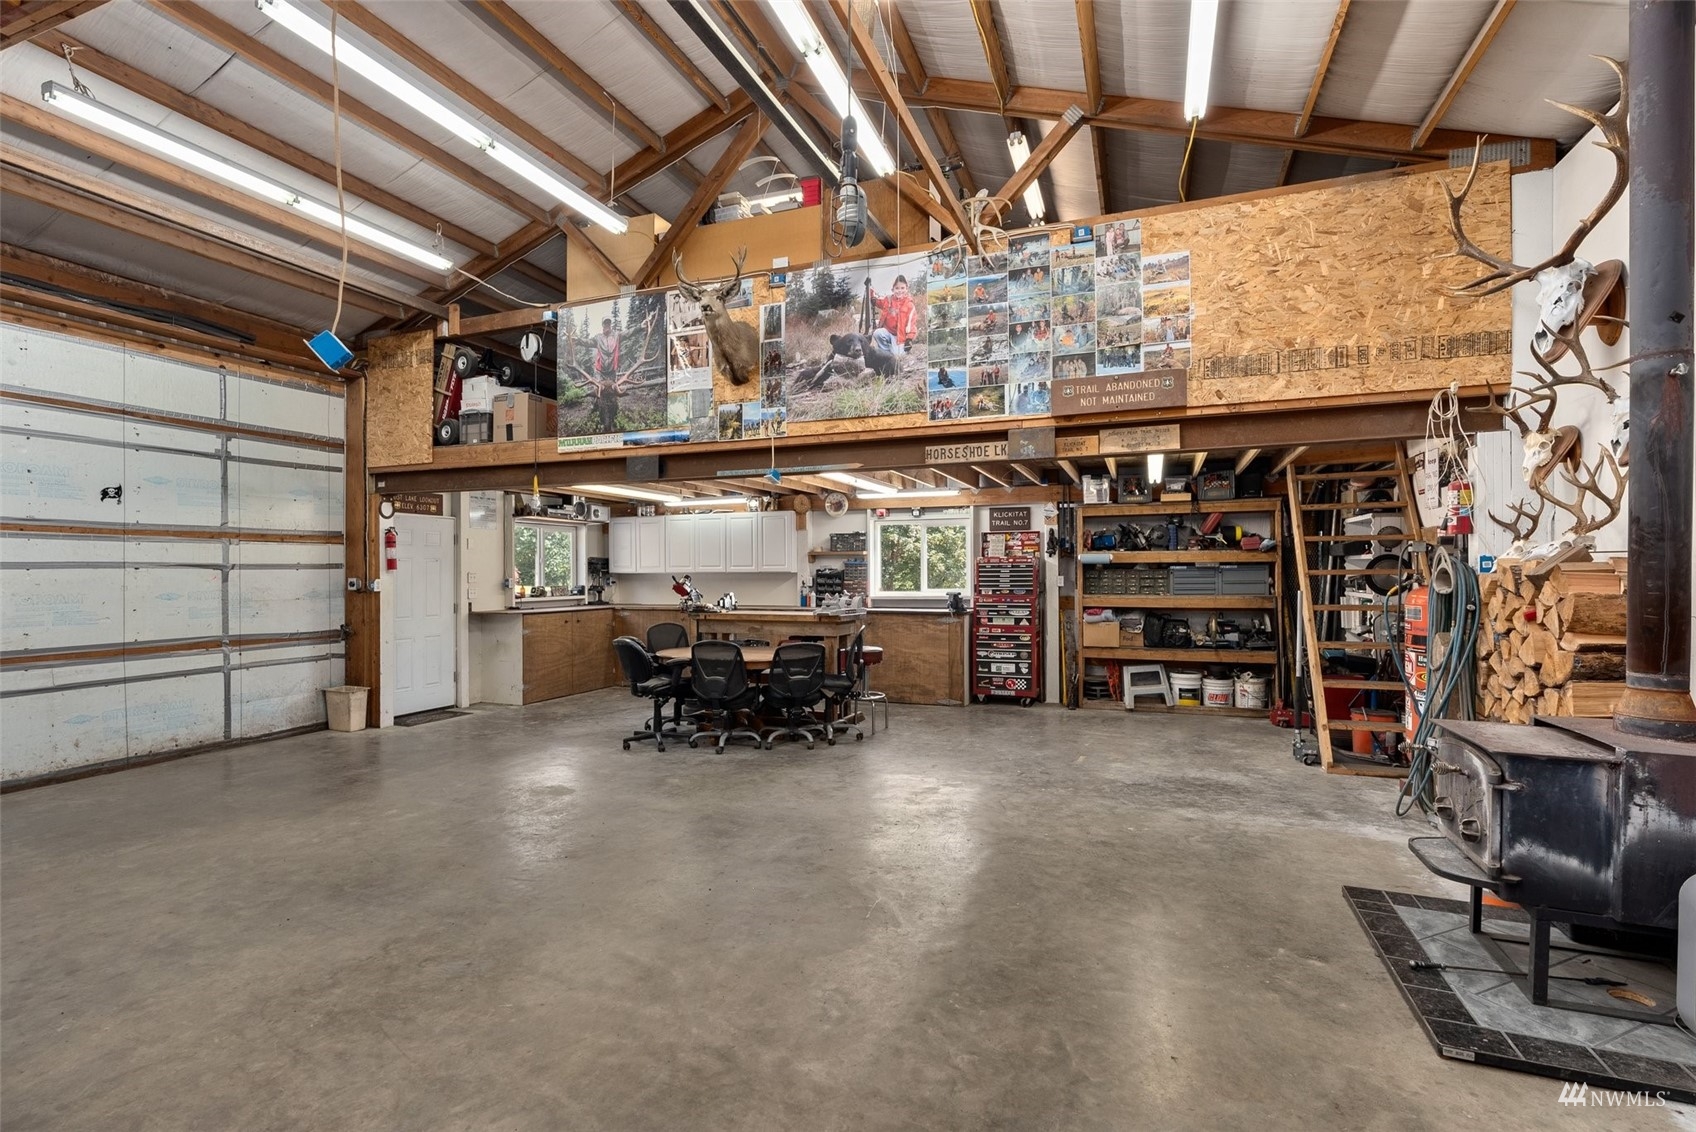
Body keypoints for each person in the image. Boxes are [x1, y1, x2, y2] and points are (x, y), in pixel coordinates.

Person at [868, 274, 918, 348]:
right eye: (897, 288)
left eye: (902, 288)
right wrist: (871, 291)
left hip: (900, 337)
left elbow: (912, 324)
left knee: (897, 355)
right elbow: (878, 301)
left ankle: (898, 349)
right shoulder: (888, 300)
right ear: (893, 289)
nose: (899, 291)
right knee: (877, 333)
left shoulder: (910, 305)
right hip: (888, 333)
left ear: (906, 289)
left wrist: (909, 339)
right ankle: (885, 350)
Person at [591, 317, 621, 431]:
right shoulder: (598, 337)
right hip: (601, 371)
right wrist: (577, 340)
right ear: (602, 325)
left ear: (610, 324)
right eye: (605, 323)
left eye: (608, 323)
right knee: (599, 391)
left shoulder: (616, 335)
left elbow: (629, 333)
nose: (606, 325)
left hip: (612, 371)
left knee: (613, 393)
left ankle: (614, 414)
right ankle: (596, 407)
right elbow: (588, 342)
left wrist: (641, 327)